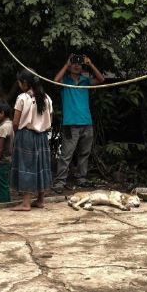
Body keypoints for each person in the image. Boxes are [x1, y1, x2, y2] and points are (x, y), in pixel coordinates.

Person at [51, 54, 105, 193]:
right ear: (70, 66)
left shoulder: (85, 81)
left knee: (84, 153)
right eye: (74, 63)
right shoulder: (65, 81)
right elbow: (55, 80)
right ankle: (60, 182)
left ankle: (81, 179)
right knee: (66, 154)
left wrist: (90, 64)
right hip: (70, 123)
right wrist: (66, 64)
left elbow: (101, 79)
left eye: (79, 64)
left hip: (86, 122)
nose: (76, 65)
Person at [10, 69, 53, 211]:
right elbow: (50, 119)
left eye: (19, 81)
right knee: (41, 165)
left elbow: (15, 122)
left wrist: (17, 134)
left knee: (26, 166)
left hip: (26, 135)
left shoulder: (22, 98)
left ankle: (26, 203)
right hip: (42, 137)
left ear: (25, 83)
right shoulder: (46, 98)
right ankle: (40, 200)